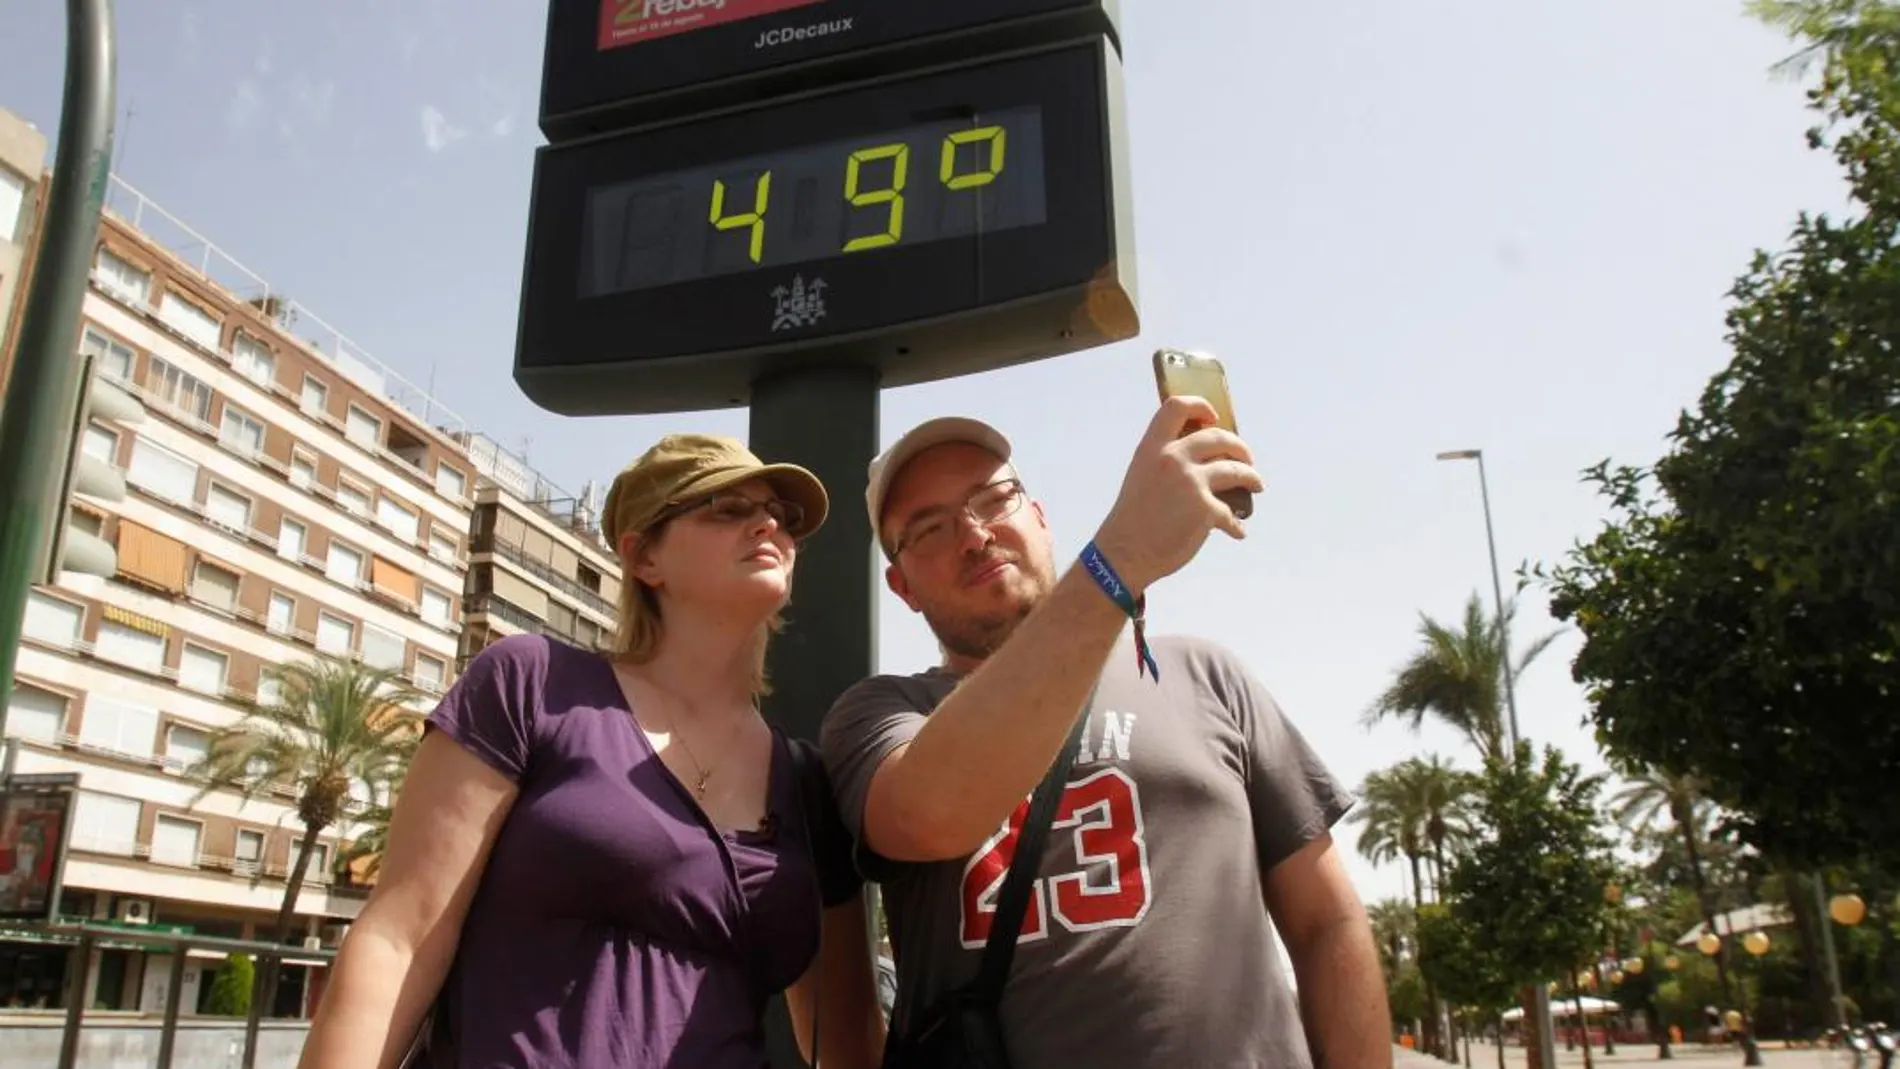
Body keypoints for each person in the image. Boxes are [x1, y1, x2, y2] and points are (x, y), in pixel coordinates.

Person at [821, 399, 1391, 1068]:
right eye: (929, 529)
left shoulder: (1205, 674)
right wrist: (1117, 558)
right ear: (901, 586)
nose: (973, 536)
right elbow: (926, 813)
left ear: (1038, 516)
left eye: (992, 499)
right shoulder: (881, 715)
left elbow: (1327, 923)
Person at [299, 434, 886, 1069]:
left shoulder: (804, 783)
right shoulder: (531, 683)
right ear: (644, 556)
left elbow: (849, 1039)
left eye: (781, 514)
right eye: (725, 506)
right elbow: (399, 940)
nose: (768, 522)